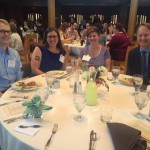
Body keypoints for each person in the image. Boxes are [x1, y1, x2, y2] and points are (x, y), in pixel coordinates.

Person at [0, 19, 23, 97]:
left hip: (14, 91)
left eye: (8, 31)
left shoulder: (14, 54)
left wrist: (20, 92)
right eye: (2, 31)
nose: (6, 34)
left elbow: (18, 76)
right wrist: (4, 97)